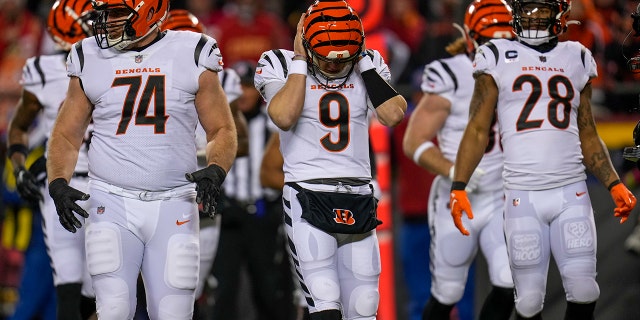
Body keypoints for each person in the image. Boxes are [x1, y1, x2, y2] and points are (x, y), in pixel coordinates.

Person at [44, 0, 238, 318]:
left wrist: (216, 168)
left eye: (117, 14)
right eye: (105, 13)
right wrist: (58, 181)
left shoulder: (191, 50)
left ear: (149, 11)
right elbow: (66, 134)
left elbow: (221, 127)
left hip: (174, 200)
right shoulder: (88, 54)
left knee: (174, 313)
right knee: (113, 311)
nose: (106, 22)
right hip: (111, 201)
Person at [449, 0, 637, 319]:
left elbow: (588, 132)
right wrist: (458, 185)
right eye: (527, 10)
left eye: (543, 11)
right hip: (522, 194)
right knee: (527, 301)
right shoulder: (496, 55)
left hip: (571, 191)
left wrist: (614, 183)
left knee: (584, 290)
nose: (534, 18)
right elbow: (478, 127)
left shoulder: (577, 56)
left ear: (560, 15)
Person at [254, 0, 407, 318]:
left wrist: (362, 60)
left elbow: (393, 114)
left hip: (359, 195)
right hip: (307, 195)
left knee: (365, 308)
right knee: (325, 307)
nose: (335, 66)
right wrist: (299, 61)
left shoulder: (368, 63)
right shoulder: (280, 63)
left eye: (344, 57)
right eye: (325, 56)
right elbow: (283, 116)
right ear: (305, 43)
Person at [403, 0, 515, 319]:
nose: (496, 49)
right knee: (448, 292)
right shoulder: (450, 74)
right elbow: (414, 142)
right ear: (470, 38)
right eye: (489, 40)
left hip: (501, 195)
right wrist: (456, 172)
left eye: (504, 40)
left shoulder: (522, 68)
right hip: (458, 197)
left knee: (510, 284)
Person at [6, 0, 97, 319]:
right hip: (62, 183)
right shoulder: (42, 71)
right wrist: (19, 168)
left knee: (101, 291)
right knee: (69, 286)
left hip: (110, 184)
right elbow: (18, 127)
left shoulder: (117, 64)